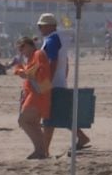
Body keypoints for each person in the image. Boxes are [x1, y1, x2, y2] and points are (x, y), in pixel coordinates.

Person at [38, 13, 91, 153]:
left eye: (41, 25)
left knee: (49, 117)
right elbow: (65, 62)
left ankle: (44, 150)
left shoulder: (51, 40)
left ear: (50, 26)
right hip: (59, 81)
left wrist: (46, 82)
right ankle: (81, 137)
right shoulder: (59, 38)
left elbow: (52, 61)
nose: (39, 28)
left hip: (52, 83)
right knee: (58, 116)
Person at [12, 36, 51, 159]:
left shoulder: (38, 54)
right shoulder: (31, 58)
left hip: (38, 94)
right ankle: (41, 151)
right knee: (33, 123)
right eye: (19, 49)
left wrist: (25, 73)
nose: (21, 51)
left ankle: (40, 150)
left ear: (29, 45)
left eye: (22, 48)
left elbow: (41, 71)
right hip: (36, 94)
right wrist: (21, 71)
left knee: (23, 120)